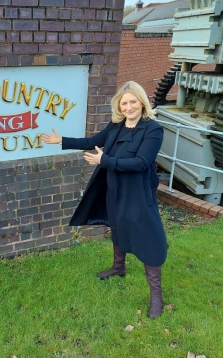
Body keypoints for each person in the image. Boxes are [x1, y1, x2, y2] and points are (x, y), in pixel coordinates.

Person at [42, 81, 168, 319]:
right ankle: (118, 267)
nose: (129, 107)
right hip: (114, 188)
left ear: (142, 102)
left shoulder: (153, 129)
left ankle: (156, 296)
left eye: (133, 102)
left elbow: (141, 162)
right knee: (117, 226)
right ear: (119, 106)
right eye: (124, 103)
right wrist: (62, 141)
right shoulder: (116, 125)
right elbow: (92, 142)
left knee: (149, 238)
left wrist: (104, 161)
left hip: (138, 193)